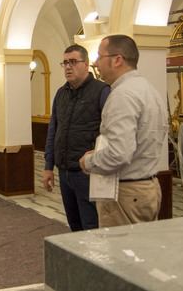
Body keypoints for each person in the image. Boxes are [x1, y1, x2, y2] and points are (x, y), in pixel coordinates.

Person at [79, 35, 168, 227]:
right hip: (147, 187)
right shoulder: (148, 90)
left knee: (120, 254)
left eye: (99, 56)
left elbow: (119, 154)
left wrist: (89, 161)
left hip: (126, 193)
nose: (95, 63)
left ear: (117, 59)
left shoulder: (122, 95)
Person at [42, 44, 110, 231]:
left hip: (88, 172)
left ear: (86, 64)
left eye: (73, 62)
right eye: (64, 63)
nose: (68, 67)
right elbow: (53, 130)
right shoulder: (61, 94)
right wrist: (49, 166)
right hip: (65, 171)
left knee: (91, 225)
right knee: (74, 224)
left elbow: (109, 132)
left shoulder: (102, 91)